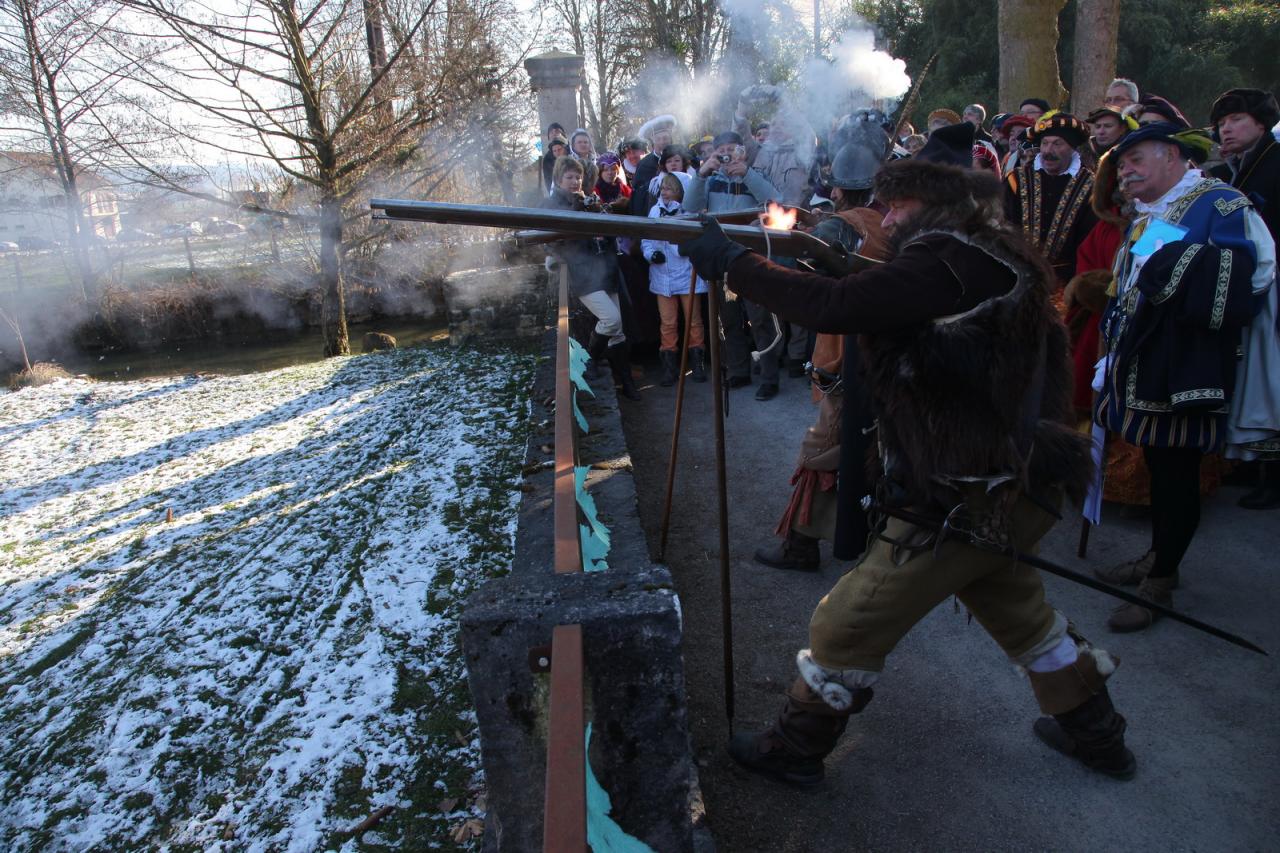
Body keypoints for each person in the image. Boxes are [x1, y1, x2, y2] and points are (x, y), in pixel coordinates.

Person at [677, 147, 1135, 786]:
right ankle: (1099, 737)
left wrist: (733, 263)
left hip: (964, 490)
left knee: (847, 620)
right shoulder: (985, 252)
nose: (887, 220)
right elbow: (877, 290)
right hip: (1011, 479)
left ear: (939, 206)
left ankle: (796, 746)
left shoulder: (949, 258)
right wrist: (815, 257)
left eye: (898, 205)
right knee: (1023, 616)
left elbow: (841, 307)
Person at [1092, 123, 1275, 631]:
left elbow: (1253, 276)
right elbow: (1132, 284)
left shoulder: (1220, 204)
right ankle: (1157, 555)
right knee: (1157, 463)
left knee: (1177, 474)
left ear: (1172, 156)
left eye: (1135, 160)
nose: (1124, 171)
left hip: (1190, 363)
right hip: (1147, 358)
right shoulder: (1153, 212)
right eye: (1120, 165)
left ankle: (1162, 580)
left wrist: (1172, 270)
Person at [753, 133, 892, 572]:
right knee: (876, 451)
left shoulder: (847, 223)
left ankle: (800, 546)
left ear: (839, 186)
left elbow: (799, 269)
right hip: (891, 356)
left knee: (821, 450)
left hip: (851, 358)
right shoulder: (894, 221)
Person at [1208, 88, 1280, 510]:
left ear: (1259, 122)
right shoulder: (1238, 167)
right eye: (1221, 122)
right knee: (1256, 375)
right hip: (1252, 285)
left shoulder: (1274, 163)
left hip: (1272, 284)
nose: (1226, 128)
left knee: (1271, 378)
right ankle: (1254, 464)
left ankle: (1272, 473)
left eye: (1235, 119)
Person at [685, 130, 784, 397]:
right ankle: (739, 370)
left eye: (733, 148)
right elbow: (689, 208)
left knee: (760, 318)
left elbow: (776, 201)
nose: (728, 154)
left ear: (742, 150)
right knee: (728, 318)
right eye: (722, 149)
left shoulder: (756, 174)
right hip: (723, 262)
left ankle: (769, 377)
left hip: (751, 259)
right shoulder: (708, 179)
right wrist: (702, 173)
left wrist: (747, 174)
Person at [541, 156, 640, 400]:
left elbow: (607, 234)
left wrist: (601, 214)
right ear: (558, 179)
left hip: (605, 267)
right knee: (611, 319)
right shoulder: (551, 205)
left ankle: (626, 383)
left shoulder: (589, 199)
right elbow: (556, 240)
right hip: (583, 271)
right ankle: (590, 360)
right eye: (569, 177)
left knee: (618, 331)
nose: (575, 181)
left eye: (578, 177)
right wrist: (581, 208)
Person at [1004, 112, 1097, 285]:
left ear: (1072, 148)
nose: (1048, 151)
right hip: (1018, 276)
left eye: (1057, 144)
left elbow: (1090, 242)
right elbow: (1004, 226)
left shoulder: (1091, 186)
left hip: (1067, 281)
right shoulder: (1016, 179)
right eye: (1045, 143)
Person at [642, 172, 707, 386]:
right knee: (668, 323)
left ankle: (697, 363)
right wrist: (651, 255)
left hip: (687, 274)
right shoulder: (654, 210)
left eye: (669, 188)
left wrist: (683, 248)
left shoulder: (689, 211)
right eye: (663, 188)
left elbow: (695, 241)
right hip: (662, 276)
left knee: (694, 321)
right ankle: (670, 367)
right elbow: (647, 239)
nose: (665, 192)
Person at [630, 114, 677, 216]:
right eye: (658, 139)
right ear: (653, 140)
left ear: (670, 139)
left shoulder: (679, 160)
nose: (662, 142)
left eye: (665, 138)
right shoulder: (644, 164)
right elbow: (638, 197)